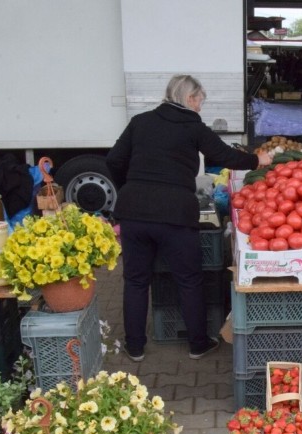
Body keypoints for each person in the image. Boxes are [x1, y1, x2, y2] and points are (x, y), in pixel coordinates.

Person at [106, 74, 271, 362]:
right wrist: (258, 161)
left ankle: (134, 347)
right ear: (190, 98)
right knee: (189, 279)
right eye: (199, 102)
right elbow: (224, 155)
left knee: (134, 280)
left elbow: (114, 161)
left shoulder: (140, 121)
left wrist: (131, 188)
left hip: (133, 212)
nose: (200, 108)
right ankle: (197, 344)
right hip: (175, 213)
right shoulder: (192, 125)